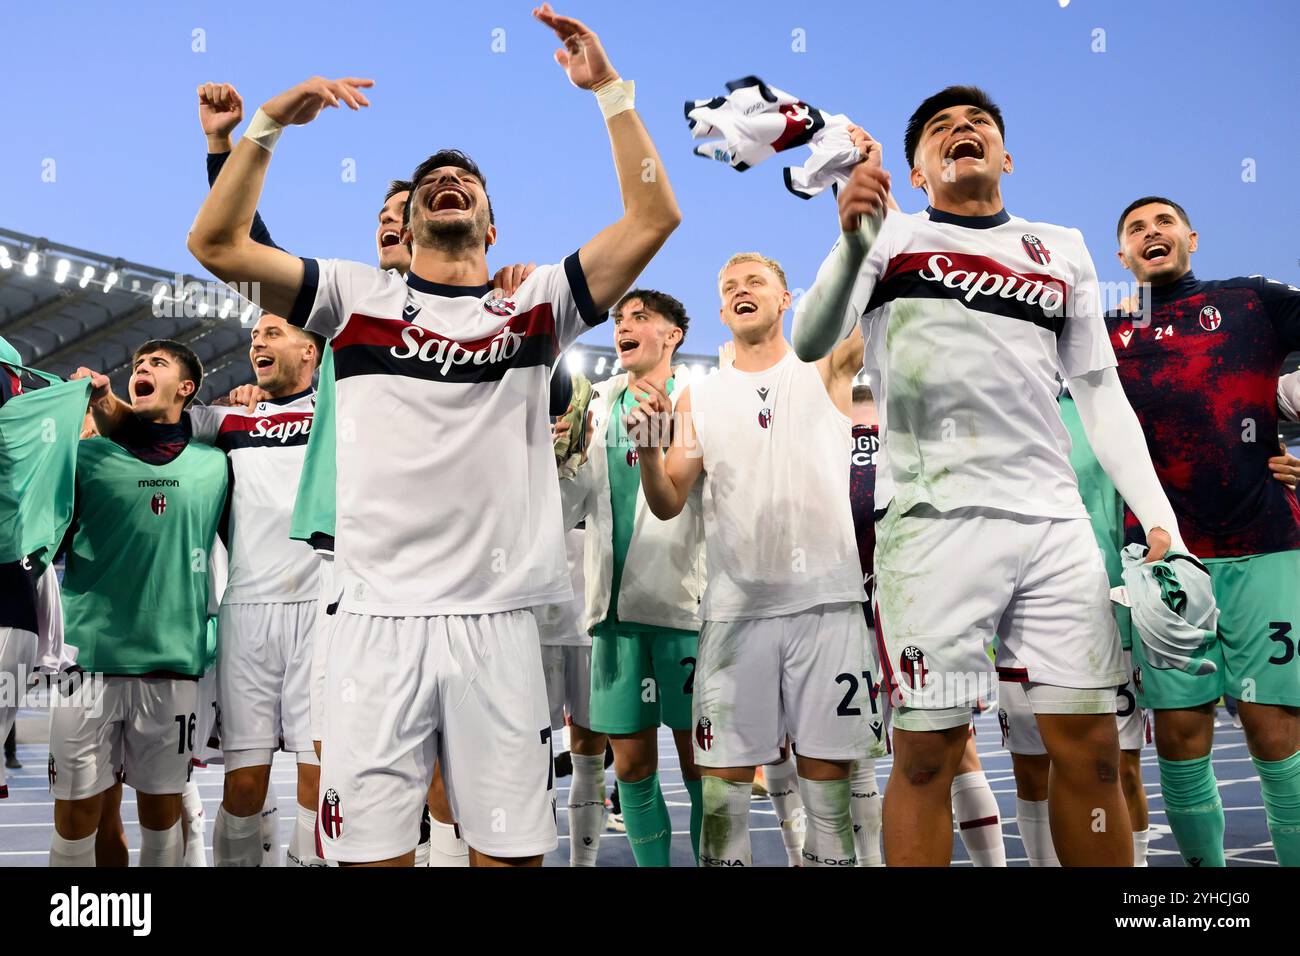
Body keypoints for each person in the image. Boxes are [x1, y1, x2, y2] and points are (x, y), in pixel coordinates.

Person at [185, 4, 680, 866]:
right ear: (404, 228)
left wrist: (607, 88)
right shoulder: (351, 298)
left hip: (497, 627)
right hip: (371, 620)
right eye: (428, 183)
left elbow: (652, 219)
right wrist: (265, 125)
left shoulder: (535, 308)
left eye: (468, 180)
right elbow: (216, 242)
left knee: (510, 855)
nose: (448, 180)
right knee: (369, 858)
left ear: (492, 227)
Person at [793, 86, 1191, 866]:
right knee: (927, 755)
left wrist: (1159, 520)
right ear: (916, 171)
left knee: (1093, 753)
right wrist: (850, 239)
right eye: (940, 128)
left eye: (978, 123)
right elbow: (810, 341)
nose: (961, 130)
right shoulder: (889, 234)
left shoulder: (1062, 246)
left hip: (1054, 526)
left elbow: (1100, 396)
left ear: (1006, 156)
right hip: (933, 529)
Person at [633, 252, 874, 867]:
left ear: (786, 298)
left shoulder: (827, 365)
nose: (742, 291)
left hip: (827, 605)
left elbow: (881, 285)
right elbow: (667, 503)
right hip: (735, 614)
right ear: (721, 311)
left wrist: (862, 211)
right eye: (730, 287)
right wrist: (649, 457)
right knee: (722, 803)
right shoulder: (697, 398)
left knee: (829, 798)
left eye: (756, 282)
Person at [1108, 196, 1300, 866]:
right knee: (1183, 737)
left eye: (1162, 222)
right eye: (1135, 229)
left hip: (1266, 543)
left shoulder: (1251, 299)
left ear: (1190, 236)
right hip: (1163, 555)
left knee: (1274, 730)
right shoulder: (1103, 329)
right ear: (1122, 257)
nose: (1150, 233)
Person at [53, 341, 228, 866]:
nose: (142, 369)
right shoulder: (85, 457)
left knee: (162, 815)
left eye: (157, 364)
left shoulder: (216, 465)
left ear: (187, 388)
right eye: (137, 365)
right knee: (77, 819)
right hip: (87, 664)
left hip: (173, 666)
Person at [557, 289, 706, 865]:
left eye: (640, 317)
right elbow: (574, 508)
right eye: (619, 318)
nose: (623, 324)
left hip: (681, 613)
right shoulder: (596, 406)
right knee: (635, 770)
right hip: (611, 618)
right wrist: (559, 461)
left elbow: (677, 501)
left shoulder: (697, 401)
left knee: (701, 766)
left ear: (673, 336)